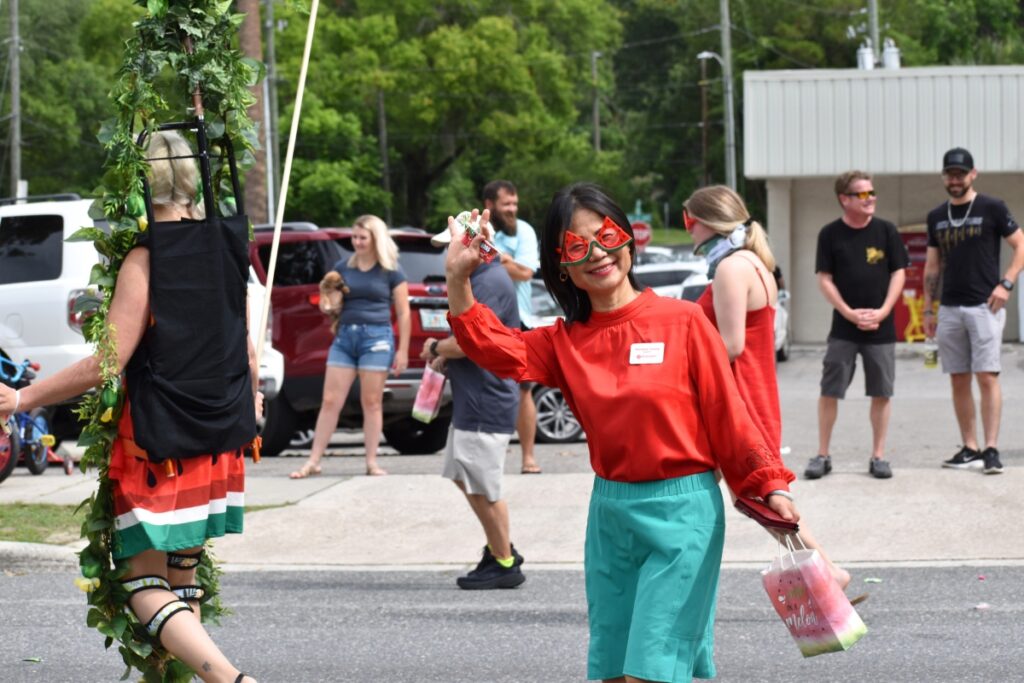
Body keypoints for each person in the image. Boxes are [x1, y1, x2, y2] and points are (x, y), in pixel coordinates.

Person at [444, 183, 797, 683]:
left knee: (648, 672)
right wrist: (459, 279)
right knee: (614, 671)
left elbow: (729, 415)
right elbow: (493, 347)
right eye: (576, 245)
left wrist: (769, 484)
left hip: (684, 514)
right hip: (609, 517)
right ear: (561, 265)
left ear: (628, 239)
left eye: (606, 235)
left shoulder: (685, 321)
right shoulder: (564, 342)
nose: (597, 253)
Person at [0, 130, 259, 683]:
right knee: (182, 576)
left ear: (138, 184)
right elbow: (246, 345)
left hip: (160, 443)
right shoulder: (226, 244)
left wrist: (21, 397)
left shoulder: (149, 258)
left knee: (143, 583)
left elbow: (107, 363)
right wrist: (253, 397)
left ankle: (233, 681)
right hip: (220, 433)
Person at [684, 184, 853, 592]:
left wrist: (680, 365)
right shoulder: (753, 263)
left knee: (761, 495)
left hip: (737, 398)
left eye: (688, 221)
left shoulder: (731, 268)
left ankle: (829, 572)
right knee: (756, 494)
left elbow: (731, 345)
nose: (688, 231)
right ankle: (826, 570)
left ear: (706, 222)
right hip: (751, 392)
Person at [421, 218, 525, 589]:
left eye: (449, 244)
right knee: (464, 475)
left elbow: (472, 343)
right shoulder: (481, 278)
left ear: (470, 244)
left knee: (482, 484)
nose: (444, 254)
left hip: (486, 399)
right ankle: (500, 547)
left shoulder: (487, 281)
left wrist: (436, 347)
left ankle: (504, 561)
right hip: (475, 397)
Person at [923, 147, 1024, 474]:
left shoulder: (992, 207)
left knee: (987, 377)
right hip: (950, 308)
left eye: (960, 174)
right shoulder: (937, 216)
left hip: (985, 306)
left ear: (973, 174)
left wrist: (1006, 283)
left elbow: (1021, 244)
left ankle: (992, 449)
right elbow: (932, 266)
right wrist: (928, 309)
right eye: (950, 174)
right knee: (957, 378)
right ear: (944, 177)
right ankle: (970, 447)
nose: (955, 179)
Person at [289, 215, 410, 479]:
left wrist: (402, 351)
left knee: (372, 402)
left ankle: (371, 462)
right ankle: (313, 461)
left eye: (363, 238)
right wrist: (327, 303)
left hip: (377, 338)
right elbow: (330, 303)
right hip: (345, 337)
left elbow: (403, 313)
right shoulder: (342, 267)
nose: (357, 242)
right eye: (354, 237)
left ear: (375, 239)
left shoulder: (391, 271)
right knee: (330, 400)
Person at [806, 171, 908, 480]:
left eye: (872, 193)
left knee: (882, 391)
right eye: (863, 195)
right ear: (845, 199)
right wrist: (850, 313)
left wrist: (883, 311)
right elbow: (824, 279)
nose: (871, 199)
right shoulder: (830, 234)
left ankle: (878, 456)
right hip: (844, 328)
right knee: (830, 390)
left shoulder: (886, 231)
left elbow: (898, 273)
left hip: (882, 328)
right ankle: (823, 455)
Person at [484, 180, 542, 474]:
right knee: (486, 387)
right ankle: (492, 459)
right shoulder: (479, 229)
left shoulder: (525, 231)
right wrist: (504, 260)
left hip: (519, 319)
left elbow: (526, 272)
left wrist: (492, 259)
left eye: (515, 204)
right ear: (489, 205)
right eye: (506, 204)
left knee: (523, 389)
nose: (512, 209)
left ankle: (528, 457)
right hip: (485, 317)